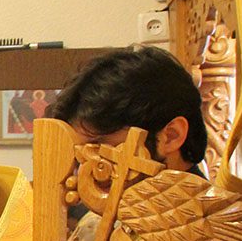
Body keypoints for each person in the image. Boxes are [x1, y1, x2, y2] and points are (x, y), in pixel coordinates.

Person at [49, 45, 208, 177]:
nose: (83, 173)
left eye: (99, 149)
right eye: (79, 158)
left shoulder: (209, 207)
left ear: (172, 136)